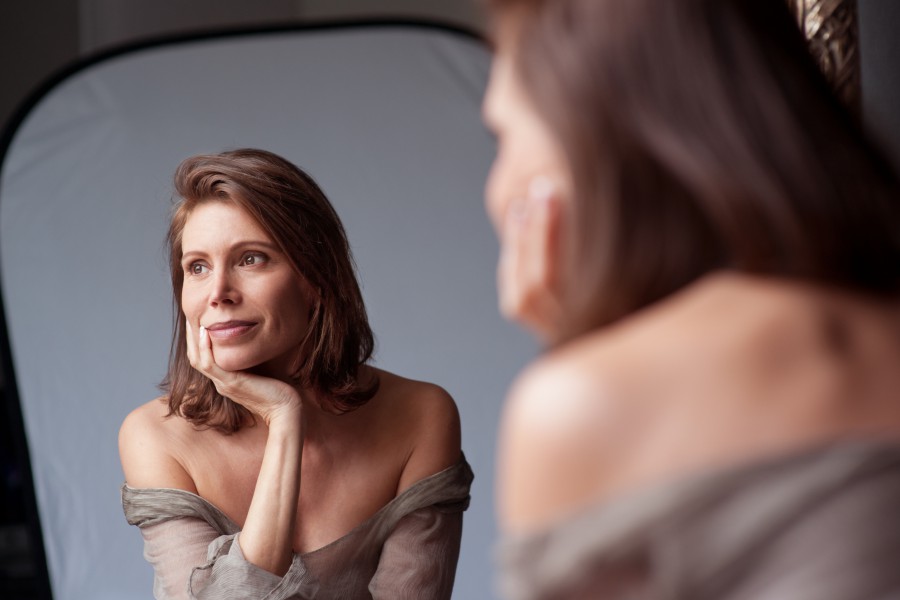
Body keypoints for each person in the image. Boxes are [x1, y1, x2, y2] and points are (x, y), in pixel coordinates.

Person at [481, 0, 900, 598]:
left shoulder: (582, 406)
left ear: (592, 138)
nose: (495, 188)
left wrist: (581, 359)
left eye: (501, 136)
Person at [118, 148, 472, 599]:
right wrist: (285, 418)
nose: (218, 292)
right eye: (198, 267)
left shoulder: (420, 416)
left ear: (315, 278)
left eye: (251, 259)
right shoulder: (155, 436)